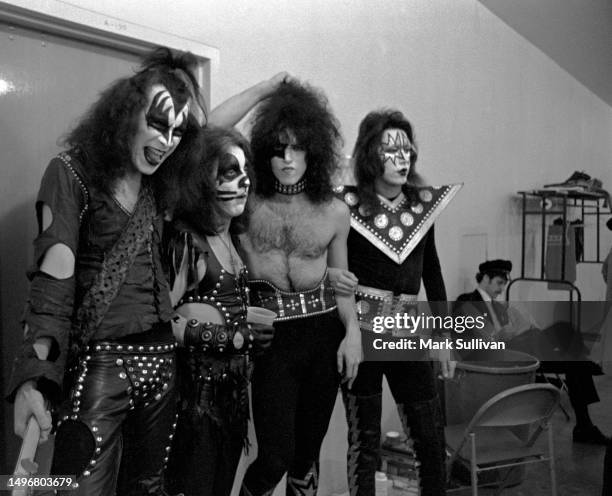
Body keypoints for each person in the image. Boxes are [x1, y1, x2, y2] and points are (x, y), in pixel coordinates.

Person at [7, 45, 290, 495]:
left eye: (177, 131)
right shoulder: (72, 174)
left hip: (162, 367)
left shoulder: (161, 182)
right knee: (79, 487)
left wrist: (267, 88)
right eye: (158, 124)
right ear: (125, 115)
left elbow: (211, 131)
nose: (167, 140)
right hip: (100, 365)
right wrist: (34, 379)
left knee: (148, 488)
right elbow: (51, 287)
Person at [236, 80, 362, 496]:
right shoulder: (245, 205)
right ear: (264, 152)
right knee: (274, 456)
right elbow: (203, 139)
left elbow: (342, 285)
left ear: (314, 149)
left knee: (304, 457)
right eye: (278, 149)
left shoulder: (335, 212)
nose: (288, 159)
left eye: (297, 148)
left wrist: (354, 335)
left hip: (323, 336)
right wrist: (262, 91)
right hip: (271, 340)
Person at [333, 109, 459, 496]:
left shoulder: (423, 206)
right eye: (391, 150)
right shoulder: (345, 206)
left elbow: (432, 270)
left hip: (410, 333)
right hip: (361, 333)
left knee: (429, 438)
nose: (402, 159)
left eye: (407, 150)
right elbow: (333, 272)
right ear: (371, 154)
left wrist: (443, 334)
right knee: (365, 442)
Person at [159, 126, 274, 496]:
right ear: (201, 178)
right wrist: (231, 337)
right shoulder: (185, 240)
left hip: (232, 402)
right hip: (194, 407)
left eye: (244, 174)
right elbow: (162, 322)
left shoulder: (231, 235)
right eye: (228, 172)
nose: (242, 183)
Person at [454, 259, 610, 445]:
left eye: (504, 284)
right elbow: (480, 339)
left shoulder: (499, 305)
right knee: (575, 362)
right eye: (499, 283)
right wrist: (503, 336)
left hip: (521, 347)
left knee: (563, 330)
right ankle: (585, 419)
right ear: (485, 278)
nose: (502, 288)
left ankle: (585, 409)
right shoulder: (466, 301)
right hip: (505, 356)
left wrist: (520, 326)